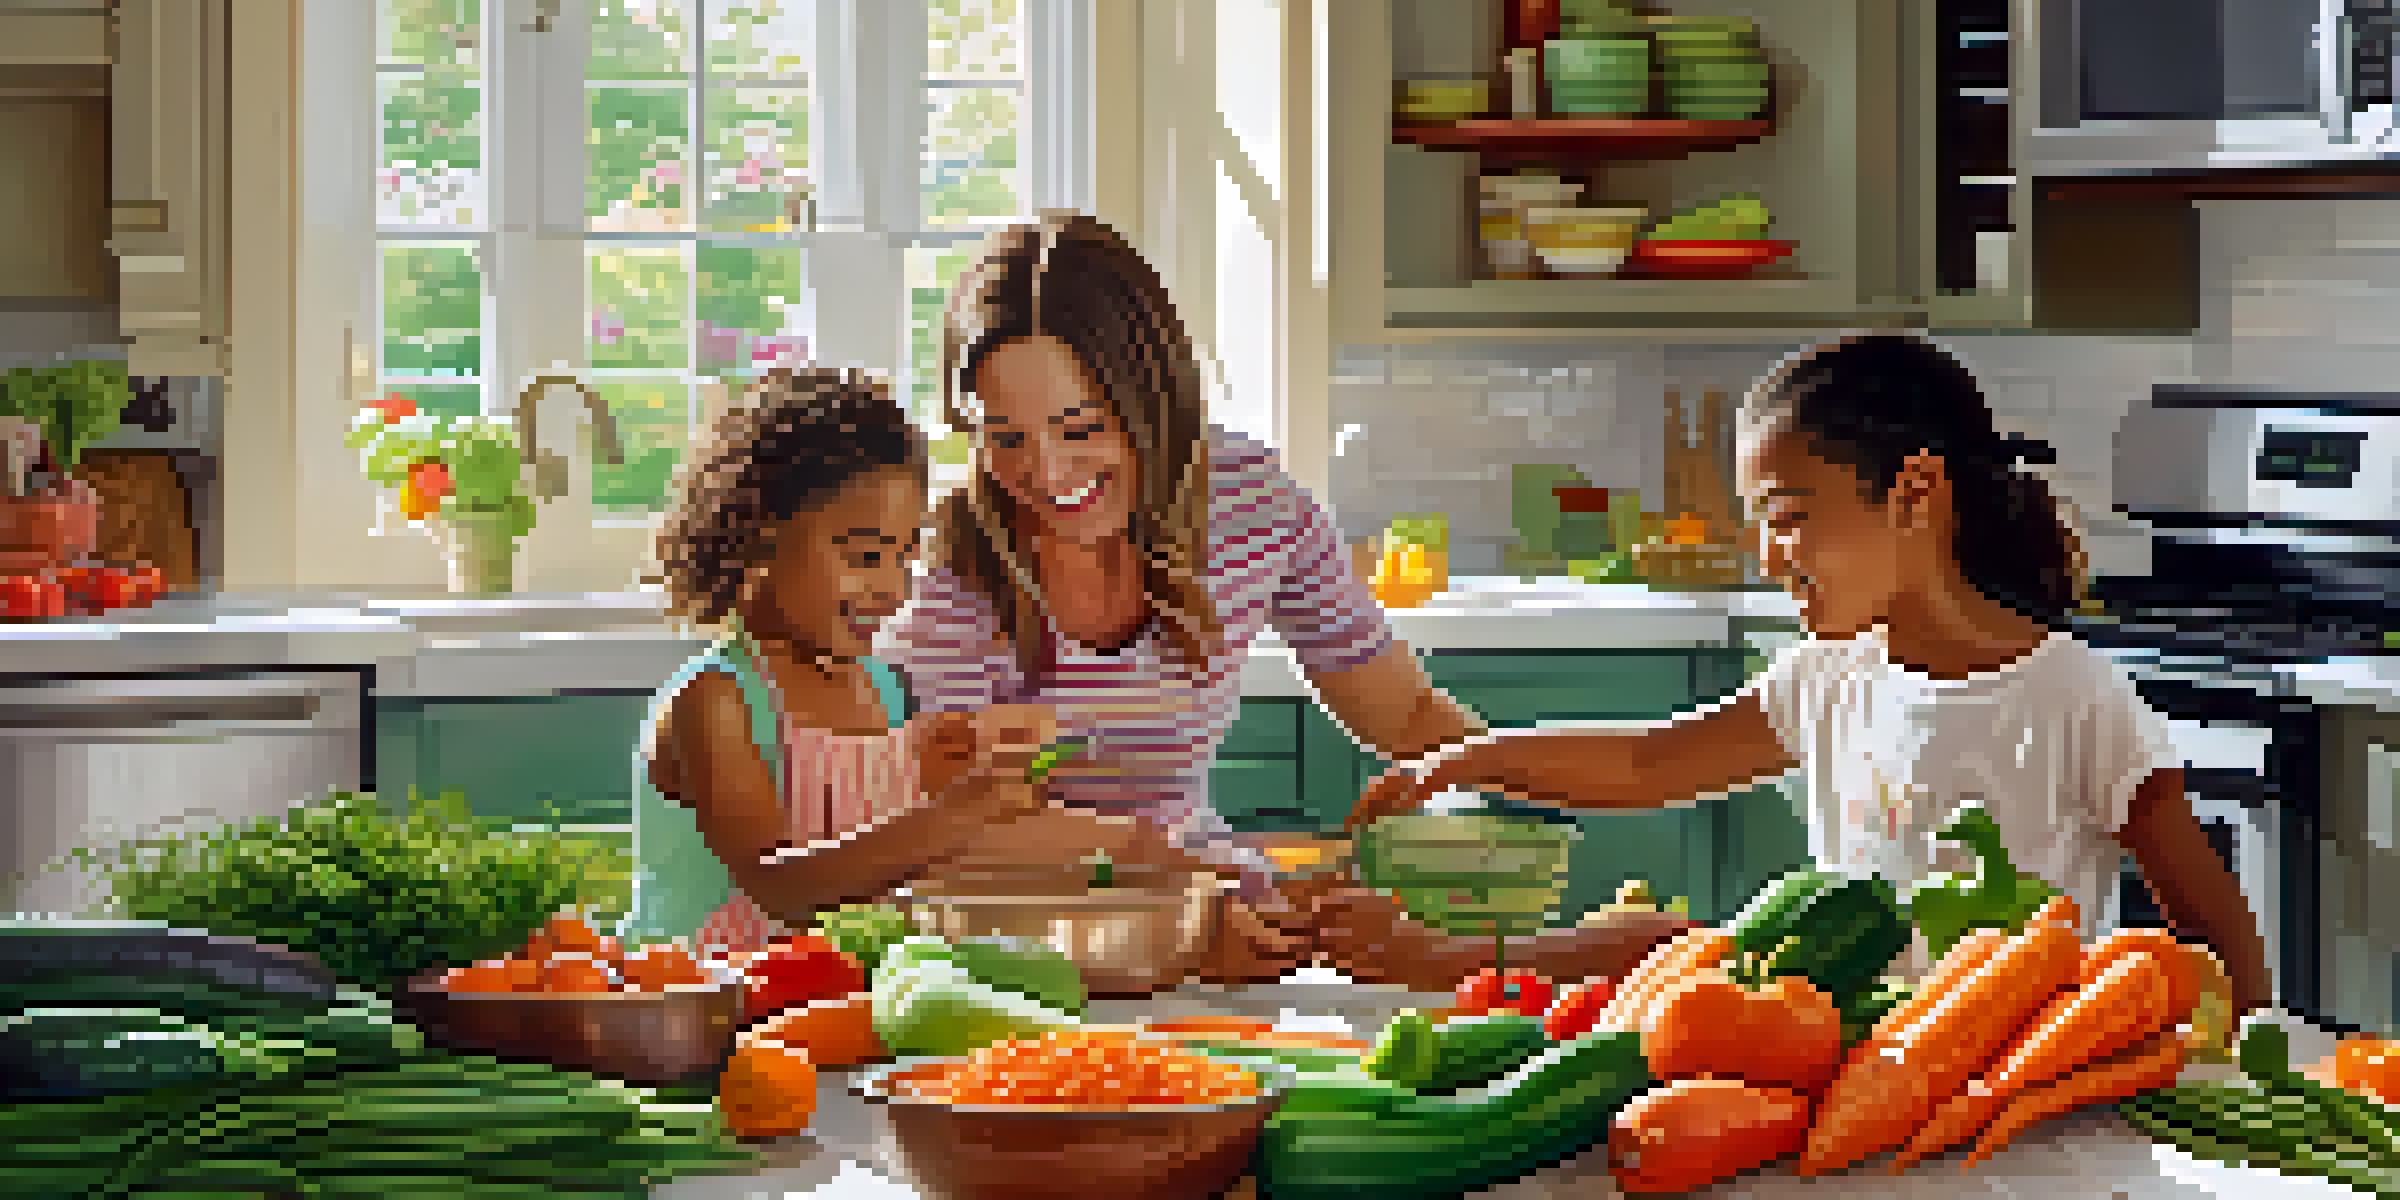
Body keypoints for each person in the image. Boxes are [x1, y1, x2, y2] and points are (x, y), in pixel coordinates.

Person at [1347, 332, 2275, 1015]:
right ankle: (1431, 960)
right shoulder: (1828, 677)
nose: (1767, 553)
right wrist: (1469, 762)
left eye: (1788, 515)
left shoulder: (2073, 698)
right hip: (1838, 1062)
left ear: (1915, 492)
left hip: (2004, 1086)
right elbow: (1648, 765)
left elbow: (2227, 955)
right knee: (1659, 946)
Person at [880, 210, 1695, 986]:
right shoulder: (947, 570)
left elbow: (1405, 715)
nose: (1048, 473)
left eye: (1082, 427)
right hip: (1019, 941)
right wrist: (1182, 908)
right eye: (1006, 437)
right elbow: (961, 837)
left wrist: (1499, 795)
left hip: (1205, 901)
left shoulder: (1250, 507)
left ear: (1155, 399)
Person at [622, 367, 1057, 952]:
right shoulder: (717, 702)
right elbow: (780, 885)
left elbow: (887, 861)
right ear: (761, 533)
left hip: (837, 997)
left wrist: (979, 785)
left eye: (906, 557)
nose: (893, 588)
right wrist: (948, 819)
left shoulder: (887, 692)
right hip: (697, 1005)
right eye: (865, 555)